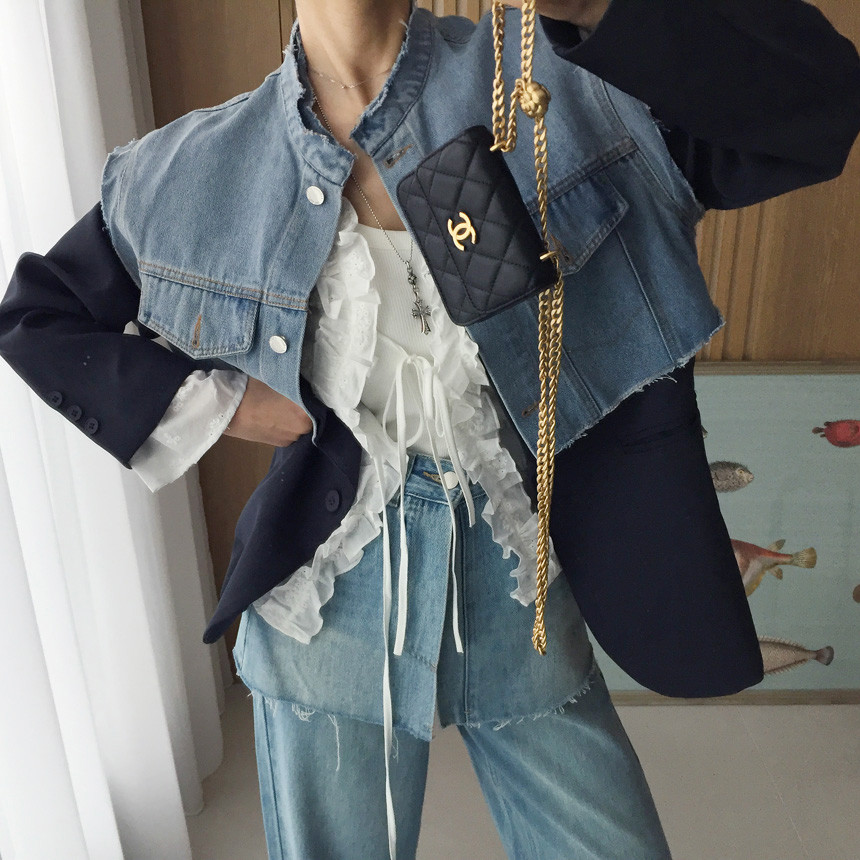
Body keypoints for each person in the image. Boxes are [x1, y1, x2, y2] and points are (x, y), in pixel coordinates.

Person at [2, 1, 859, 857]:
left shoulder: (567, 85)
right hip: (327, 615)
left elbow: (820, 109)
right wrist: (221, 405)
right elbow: (37, 316)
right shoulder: (198, 166)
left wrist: (596, 7)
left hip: (521, 595)